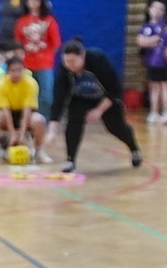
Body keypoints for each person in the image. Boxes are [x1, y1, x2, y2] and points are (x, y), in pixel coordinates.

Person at [53, 38, 142, 174]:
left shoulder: (98, 60)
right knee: (73, 122)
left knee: (116, 127)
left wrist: (99, 110)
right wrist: (52, 126)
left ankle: (134, 149)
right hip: (81, 98)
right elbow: (59, 98)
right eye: (66, 61)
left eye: (73, 61)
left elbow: (115, 90)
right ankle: (70, 160)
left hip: (105, 97)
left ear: (83, 55)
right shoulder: (64, 70)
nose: (69, 65)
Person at [0, 54, 50, 163]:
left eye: (19, 70)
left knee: (40, 120)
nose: (16, 74)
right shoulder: (0, 85)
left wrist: (22, 135)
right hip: (7, 113)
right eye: (13, 71)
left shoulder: (31, 84)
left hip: (25, 113)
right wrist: (13, 134)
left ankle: (38, 151)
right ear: (7, 72)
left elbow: (27, 109)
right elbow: (5, 110)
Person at [14, 0, 60, 116]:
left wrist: (46, 56)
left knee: (46, 96)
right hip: (26, 64)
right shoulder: (21, 21)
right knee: (26, 95)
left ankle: (42, 121)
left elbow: (56, 44)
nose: (33, 2)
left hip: (45, 64)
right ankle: (26, 121)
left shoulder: (49, 20)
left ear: (41, 1)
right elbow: (18, 43)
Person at [137, 1, 167, 123]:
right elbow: (141, 42)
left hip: (162, 62)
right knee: (155, 87)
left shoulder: (164, 26)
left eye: (161, 9)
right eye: (155, 8)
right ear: (149, 9)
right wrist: (154, 40)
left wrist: (150, 41)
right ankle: (154, 113)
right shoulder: (146, 27)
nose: (157, 11)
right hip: (152, 62)